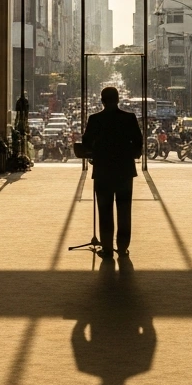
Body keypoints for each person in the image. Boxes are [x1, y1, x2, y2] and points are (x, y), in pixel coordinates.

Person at [81, 87, 143, 257]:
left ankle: (107, 248)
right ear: (118, 99)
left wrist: (95, 153)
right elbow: (138, 143)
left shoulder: (95, 119)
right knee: (124, 210)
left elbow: (86, 143)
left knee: (105, 210)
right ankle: (122, 247)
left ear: (102, 100)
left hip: (103, 171)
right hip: (124, 171)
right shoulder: (129, 118)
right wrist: (130, 155)